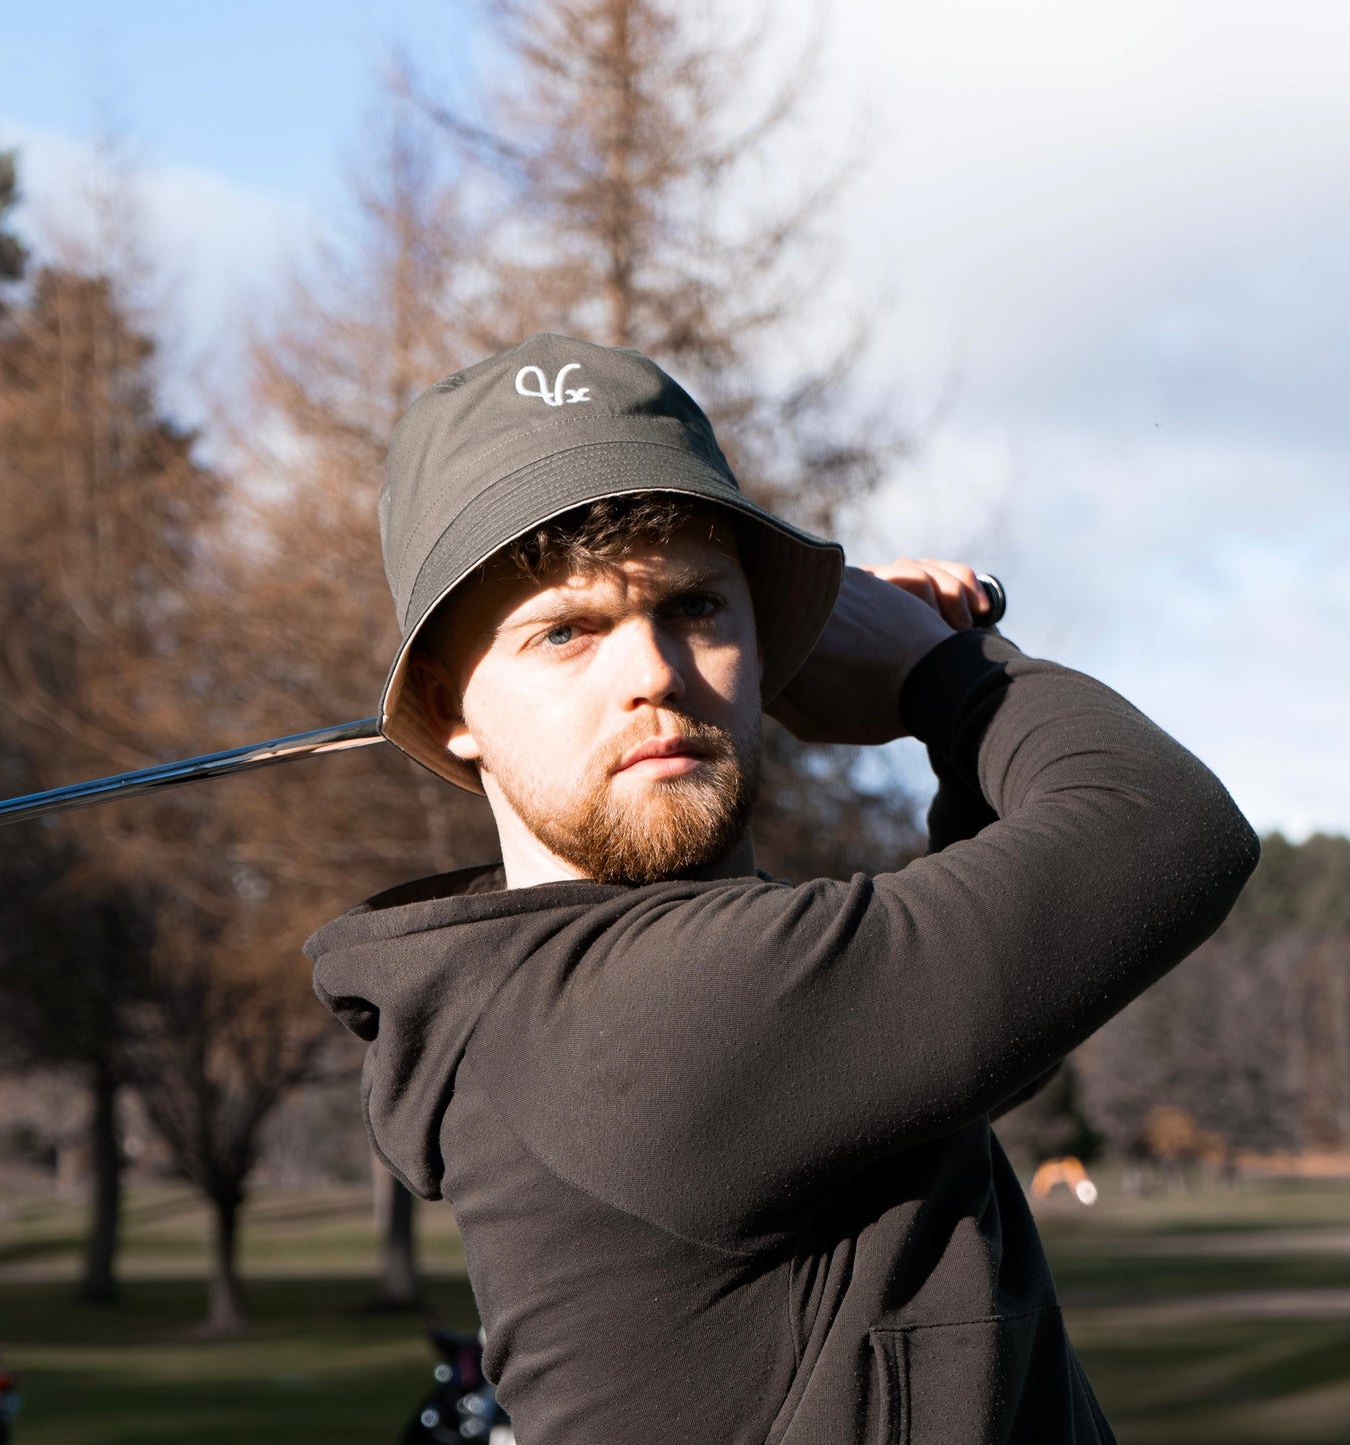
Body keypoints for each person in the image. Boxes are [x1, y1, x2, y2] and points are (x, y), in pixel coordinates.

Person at [306, 333, 1259, 1443]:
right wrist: (943, 673)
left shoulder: (603, 995)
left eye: (698, 607)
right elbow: (1161, 828)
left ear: (766, 642)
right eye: (565, 630)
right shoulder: (642, 1017)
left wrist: (942, 693)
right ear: (447, 703)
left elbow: (1017, 992)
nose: (652, 671)